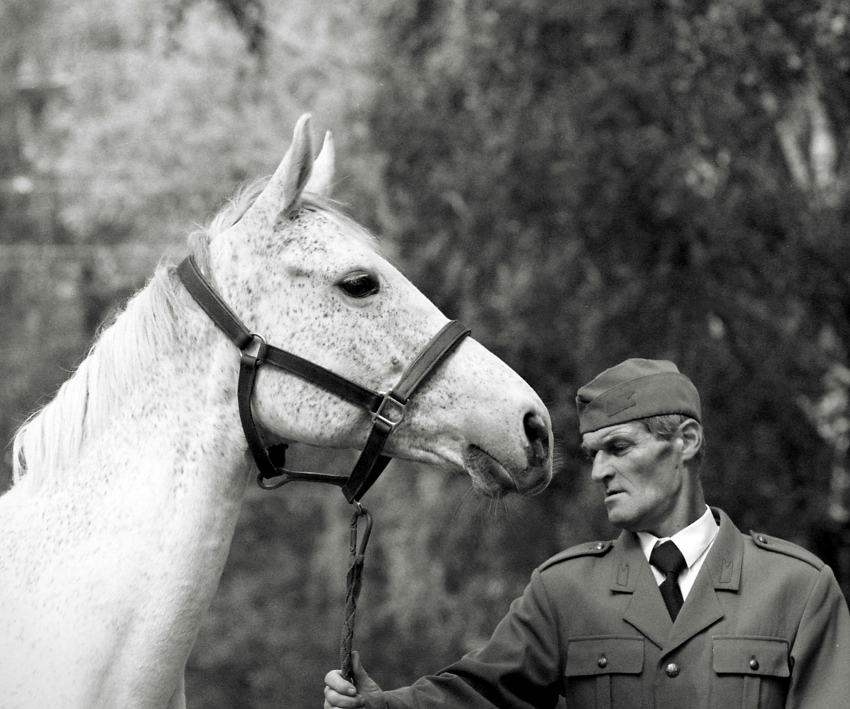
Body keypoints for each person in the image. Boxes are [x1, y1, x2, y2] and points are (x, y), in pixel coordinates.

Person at [324, 359, 850, 708]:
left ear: (686, 442)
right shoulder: (564, 591)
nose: (599, 472)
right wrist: (379, 707)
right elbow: (478, 696)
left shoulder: (798, 591)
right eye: (593, 455)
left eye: (618, 449)